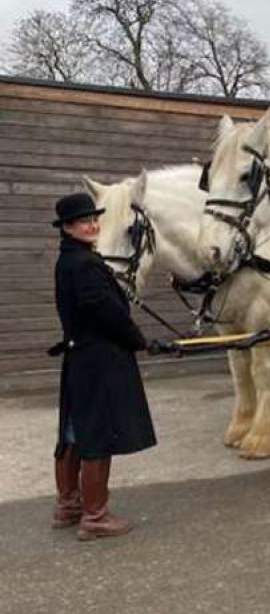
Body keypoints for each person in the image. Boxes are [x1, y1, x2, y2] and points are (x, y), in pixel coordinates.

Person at [49, 192, 156, 540]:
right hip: (100, 360)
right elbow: (104, 311)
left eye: (94, 219)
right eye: (84, 221)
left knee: (74, 432)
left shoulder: (70, 259)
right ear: (66, 227)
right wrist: (139, 340)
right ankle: (94, 516)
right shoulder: (84, 264)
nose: (93, 225)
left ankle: (69, 505)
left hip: (81, 357)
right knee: (97, 435)